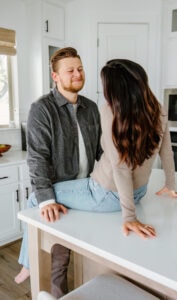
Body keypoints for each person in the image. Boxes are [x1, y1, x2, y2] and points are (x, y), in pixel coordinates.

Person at [16, 58, 177, 296]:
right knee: (49, 203)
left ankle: (27, 264)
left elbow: (119, 168)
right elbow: (166, 150)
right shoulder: (157, 109)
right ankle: (37, 269)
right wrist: (170, 184)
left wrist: (129, 217)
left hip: (102, 192)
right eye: (72, 70)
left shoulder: (109, 110)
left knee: (37, 198)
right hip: (138, 192)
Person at [14, 47, 102, 298]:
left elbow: (100, 151)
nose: (78, 74)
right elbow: (37, 157)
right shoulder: (42, 109)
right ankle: (55, 294)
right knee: (59, 258)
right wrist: (48, 199)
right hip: (59, 194)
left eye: (80, 69)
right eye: (71, 70)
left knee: (86, 253)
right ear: (55, 76)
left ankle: (28, 264)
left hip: (85, 191)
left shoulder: (91, 107)